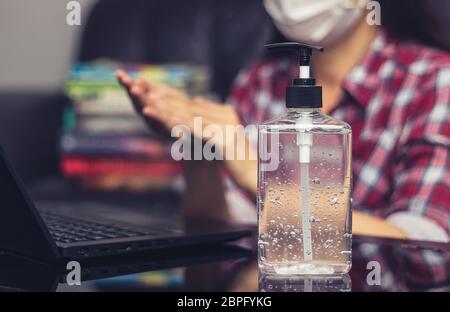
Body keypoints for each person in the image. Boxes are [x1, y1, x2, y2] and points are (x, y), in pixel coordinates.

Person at [116, 0, 450, 243]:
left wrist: (254, 171)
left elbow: (428, 246)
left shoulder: (434, 81)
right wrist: (199, 147)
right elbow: (226, 224)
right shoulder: (259, 80)